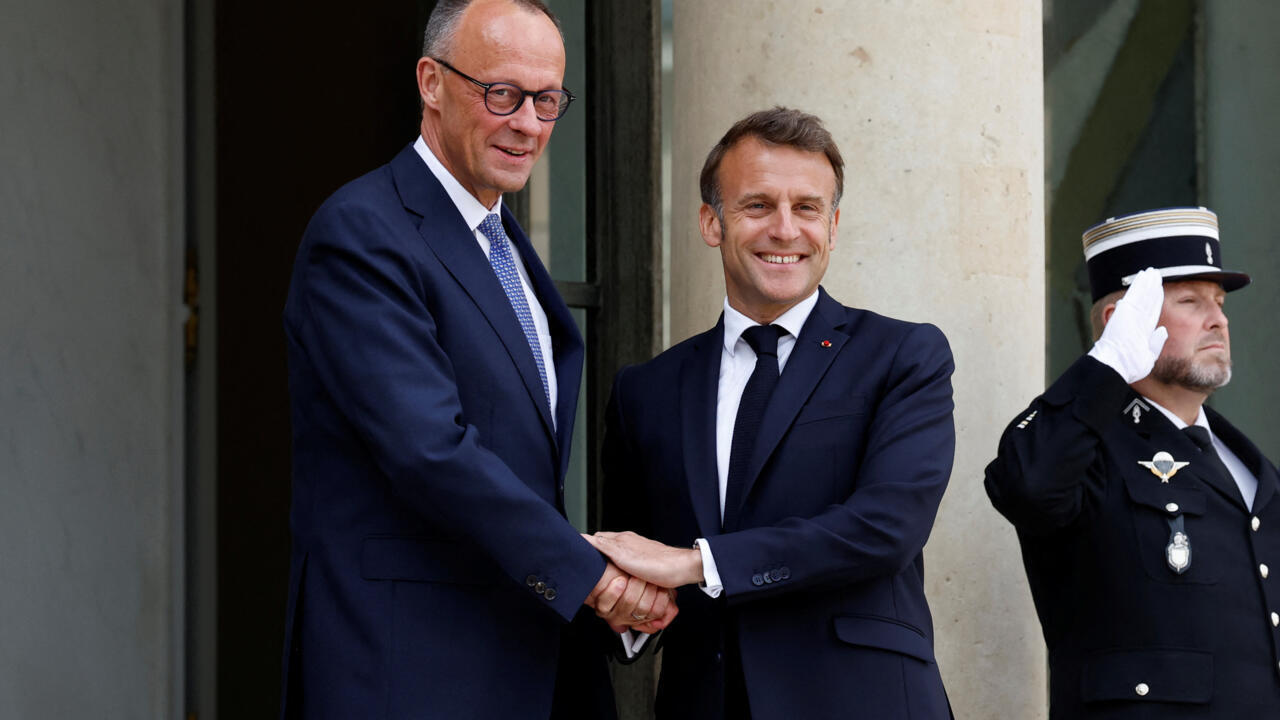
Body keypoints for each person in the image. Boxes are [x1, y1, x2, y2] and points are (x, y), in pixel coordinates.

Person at [279, 1, 673, 717]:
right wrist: (593, 578)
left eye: (547, 100)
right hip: (410, 669)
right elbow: (430, 449)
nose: (528, 124)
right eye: (502, 94)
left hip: (524, 658)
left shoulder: (503, 241)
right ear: (431, 82)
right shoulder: (362, 233)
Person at [588, 107, 956, 719]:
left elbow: (887, 526)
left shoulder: (903, 355)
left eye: (807, 208)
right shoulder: (644, 390)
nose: (785, 230)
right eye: (758, 205)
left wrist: (698, 564)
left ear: (832, 227)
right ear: (712, 222)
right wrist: (626, 607)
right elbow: (635, 561)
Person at [985, 207, 1280, 717]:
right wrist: (1106, 367)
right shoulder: (1086, 446)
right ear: (1121, 321)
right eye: (1189, 301)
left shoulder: (1246, 462)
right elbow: (1028, 486)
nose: (1219, 319)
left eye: (1219, 302)